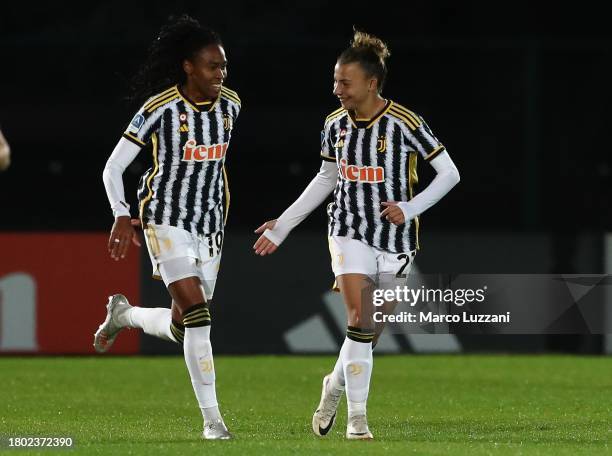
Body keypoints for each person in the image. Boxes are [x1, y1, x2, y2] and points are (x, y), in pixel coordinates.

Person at [254, 30, 460, 440]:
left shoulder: (405, 123)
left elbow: (450, 173)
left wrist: (411, 207)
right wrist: (283, 224)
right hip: (348, 230)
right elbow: (326, 178)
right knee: (359, 319)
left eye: (344, 82)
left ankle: (333, 384)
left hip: (397, 240)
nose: (336, 90)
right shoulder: (334, 125)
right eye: (335, 81)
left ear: (371, 82)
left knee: (368, 332)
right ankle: (357, 420)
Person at [93, 15, 241, 440]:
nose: (221, 74)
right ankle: (213, 422)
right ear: (188, 66)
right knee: (199, 313)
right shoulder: (158, 110)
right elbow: (114, 166)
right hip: (163, 219)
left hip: (210, 224)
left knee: (183, 325)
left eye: (224, 66)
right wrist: (121, 213)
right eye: (213, 66)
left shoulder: (231, 106)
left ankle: (124, 315)